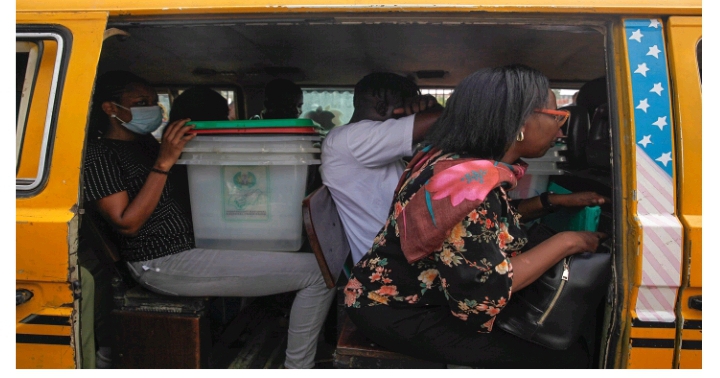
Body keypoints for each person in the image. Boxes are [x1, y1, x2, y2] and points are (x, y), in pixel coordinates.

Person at [343, 65, 607, 369]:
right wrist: (570, 241)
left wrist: (552, 201)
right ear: (519, 120)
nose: (561, 130)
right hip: (399, 310)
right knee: (564, 359)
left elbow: (484, 226)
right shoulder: (470, 186)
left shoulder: (453, 161)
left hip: (399, 294)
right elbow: (483, 294)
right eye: (557, 116)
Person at [83, 71, 334, 369]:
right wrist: (164, 162)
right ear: (110, 109)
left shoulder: (146, 144)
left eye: (153, 102)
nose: (150, 108)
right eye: (140, 102)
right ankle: (297, 368)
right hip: (160, 260)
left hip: (191, 245)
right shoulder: (99, 155)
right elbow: (127, 222)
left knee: (303, 252)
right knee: (318, 273)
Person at [320, 72, 443, 264]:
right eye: (406, 107)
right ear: (382, 107)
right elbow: (443, 119)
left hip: (398, 252)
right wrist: (430, 109)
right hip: (390, 263)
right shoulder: (355, 138)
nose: (411, 117)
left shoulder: (361, 141)